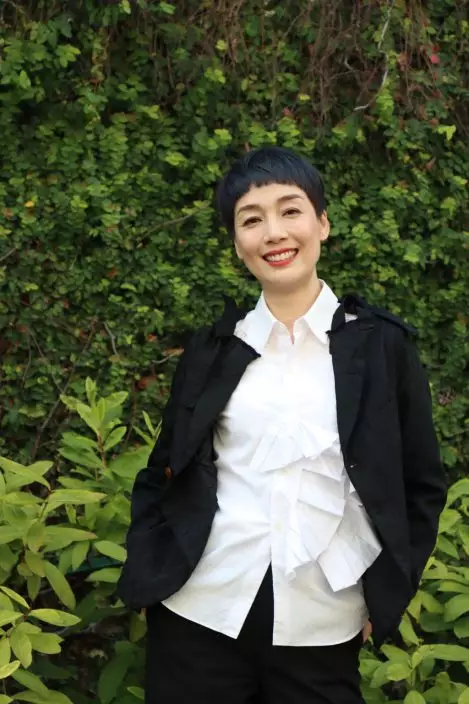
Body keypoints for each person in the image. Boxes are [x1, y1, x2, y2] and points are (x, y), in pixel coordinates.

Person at [117, 146, 447, 704]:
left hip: (323, 623)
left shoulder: (383, 347)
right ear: (237, 243)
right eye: (251, 220)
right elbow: (163, 471)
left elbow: (421, 484)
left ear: (322, 223)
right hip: (199, 610)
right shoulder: (214, 349)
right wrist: (151, 567)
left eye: (290, 210)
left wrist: (388, 594)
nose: (273, 233)